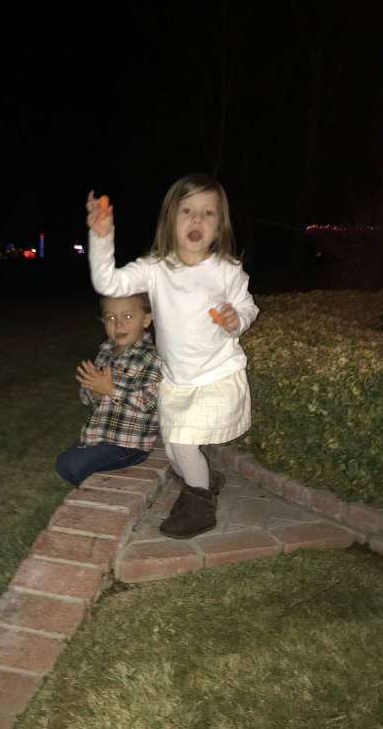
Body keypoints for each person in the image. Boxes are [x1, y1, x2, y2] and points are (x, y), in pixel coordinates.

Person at [86, 172, 259, 539]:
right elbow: (109, 284)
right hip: (176, 380)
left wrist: (237, 320)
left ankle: (199, 508)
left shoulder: (227, 270)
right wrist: (101, 238)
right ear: (171, 219)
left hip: (216, 374)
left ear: (219, 224)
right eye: (187, 211)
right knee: (173, 447)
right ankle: (205, 482)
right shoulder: (156, 268)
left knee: (182, 443)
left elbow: (247, 308)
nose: (197, 220)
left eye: (208, 213)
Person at [55, 292, 163, 487]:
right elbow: (86, 397)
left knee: (72, 466)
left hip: (129, 444)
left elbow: (150, 403)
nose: (119, 324)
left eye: (128, 316)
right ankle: (99, 483)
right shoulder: (105, 353)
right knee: (63, 463)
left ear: (146, 320)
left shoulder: (151, 358)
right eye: (111, 318)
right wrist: (94, 391)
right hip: (99, 435)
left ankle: (103, 491)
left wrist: (112, 390)